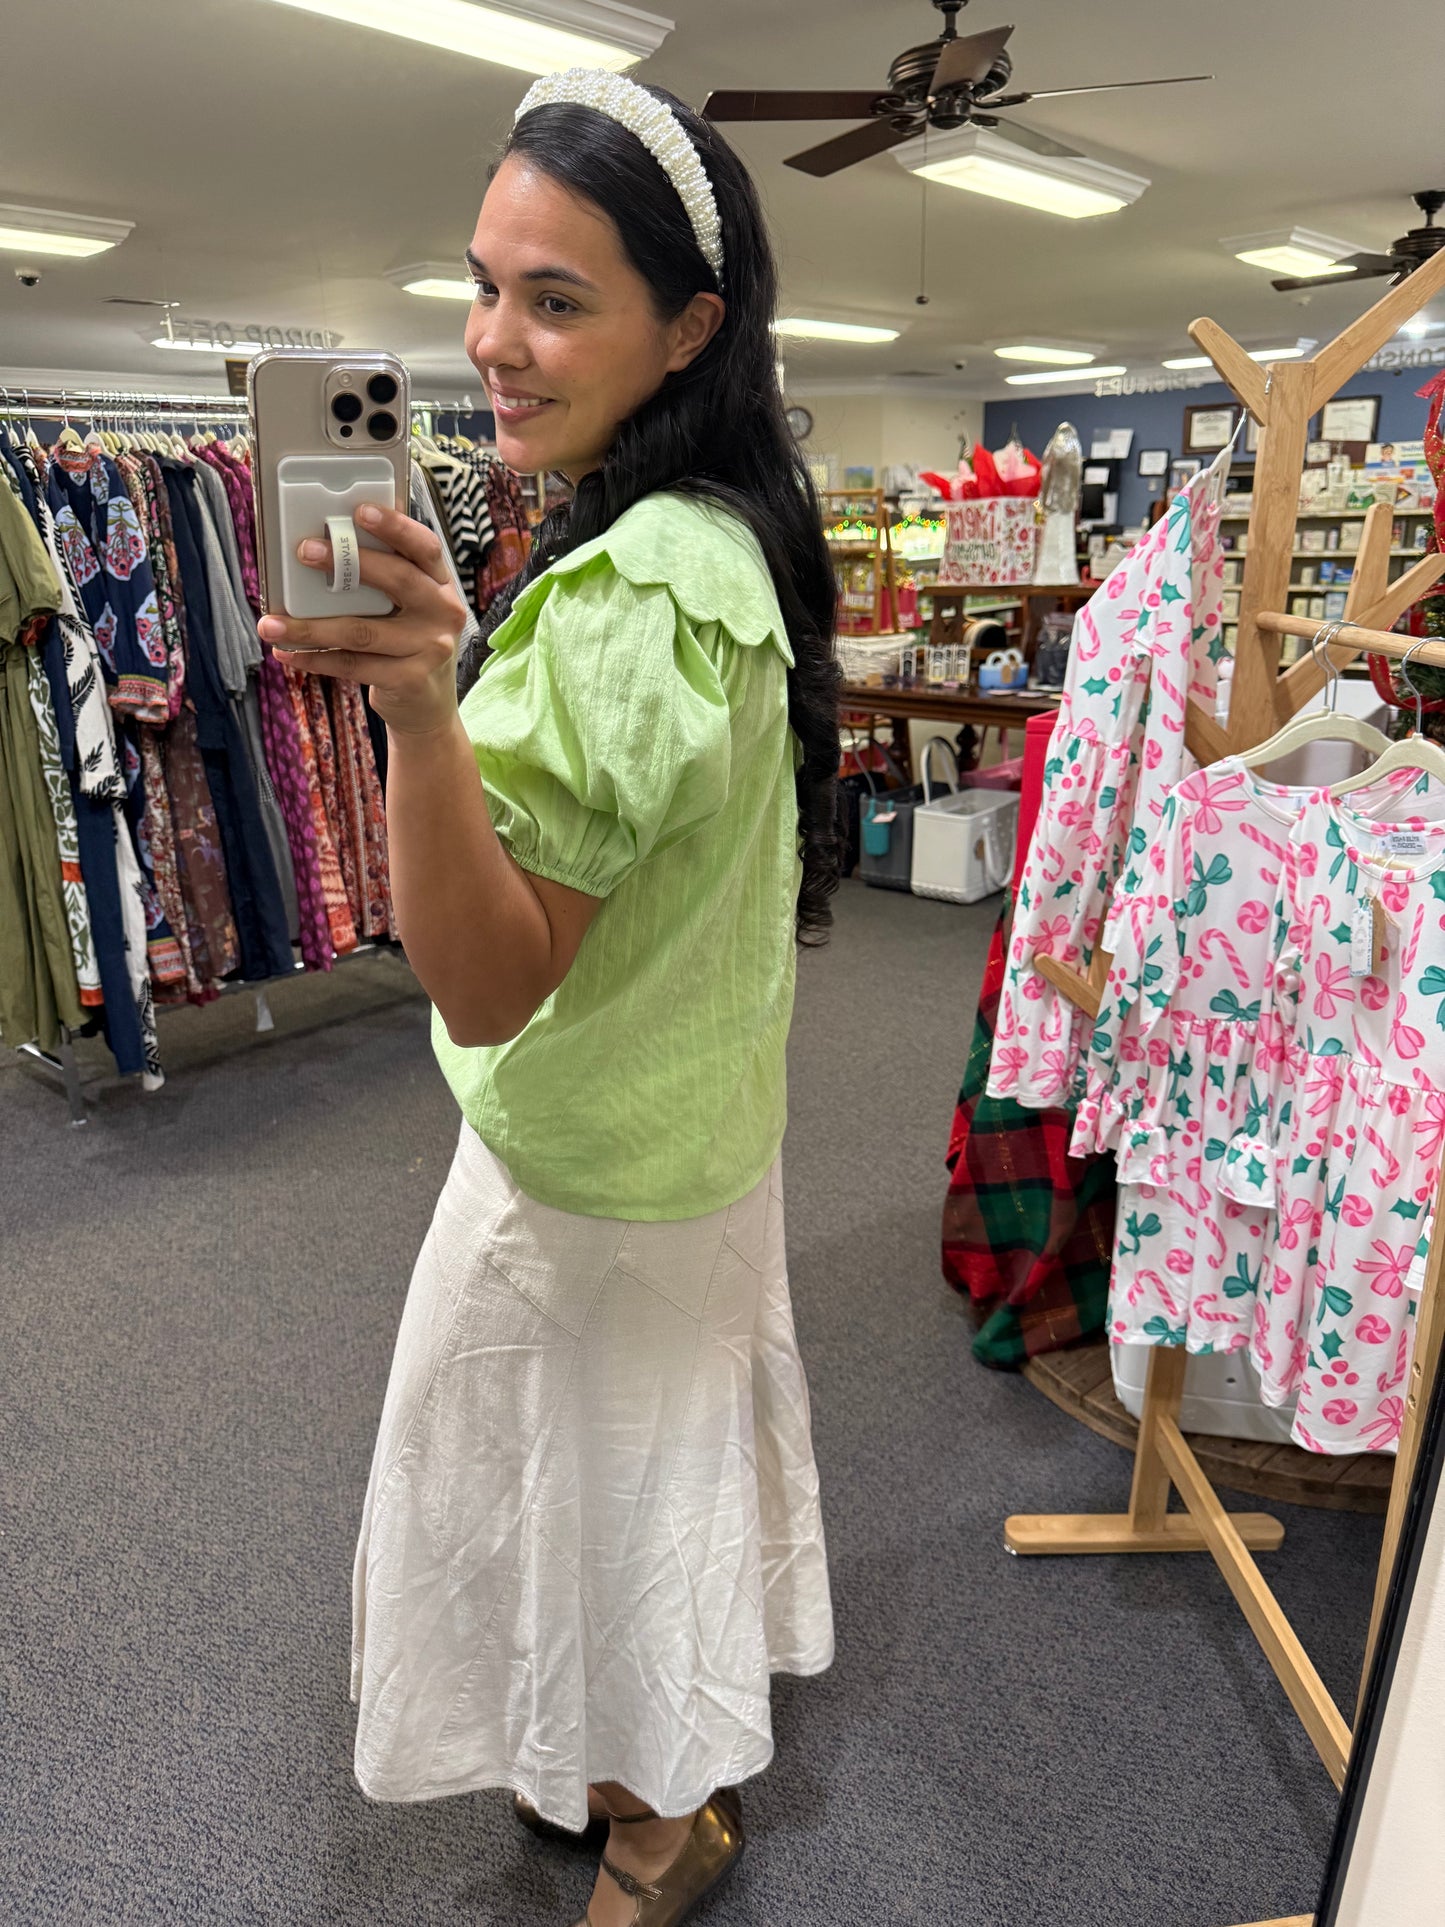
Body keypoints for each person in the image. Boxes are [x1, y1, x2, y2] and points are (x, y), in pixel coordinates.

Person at [256, 66, 839, 1927]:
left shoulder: (632, 592)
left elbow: (493, 982)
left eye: (557, 300)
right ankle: (633, 1782)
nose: (494, 342)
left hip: (589, 1164)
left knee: (580, 1500)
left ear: (689, 327)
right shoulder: (714, 539)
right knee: (628, 1491)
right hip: (685, 1128)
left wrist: (420, 707)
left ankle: (662, 1832)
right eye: (485, 283)